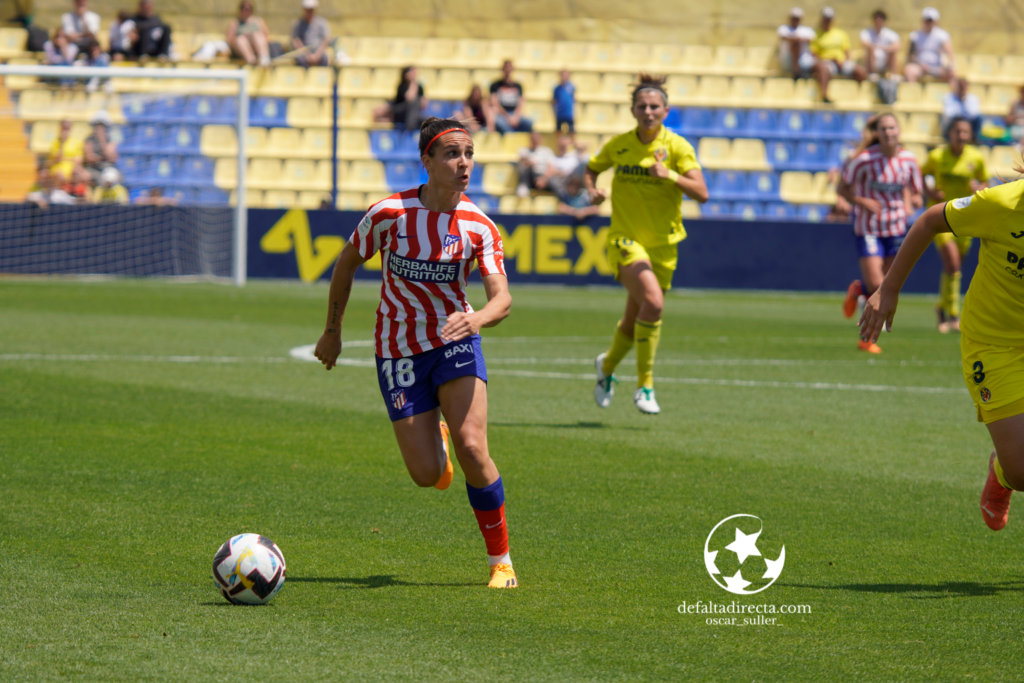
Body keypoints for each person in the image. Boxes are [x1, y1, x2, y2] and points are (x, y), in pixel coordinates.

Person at [312, 117, 518, 590]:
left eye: (469, 153)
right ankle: (437, 439)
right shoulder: (389, 214)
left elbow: (502, 299)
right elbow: (346, 264)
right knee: (427, 475)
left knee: (473, 446)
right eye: (452, 154)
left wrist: (476, 320)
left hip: (455, 341)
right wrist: (332, 332)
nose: (463, 163)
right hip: (397, 349)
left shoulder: (479, 226)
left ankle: (501, 562)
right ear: (427, 160)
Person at [859, 168, 1024, 537]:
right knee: (1021, 472)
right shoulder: (1002, 203)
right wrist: (889, 288)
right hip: (994, 345)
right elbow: (930, 219)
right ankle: (1002, 474)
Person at [584, 73, 709, 415]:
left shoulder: (678, 148)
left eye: (655, 106)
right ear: (633, 110)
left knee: (635, 319)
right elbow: (591, 169)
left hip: (664, 245)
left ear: (666, 111)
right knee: (653, 302)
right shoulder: (619, 145)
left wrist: (670, 175)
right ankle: (645, 385)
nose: (648, 111)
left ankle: (606, 366)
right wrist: (592, 191)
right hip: (625, 240)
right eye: (642, 106)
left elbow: (702, 193)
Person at [837, 113, 923, 354]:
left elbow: (916, 191)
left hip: (896, 228)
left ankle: (858, 291)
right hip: (869, 227)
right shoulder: (864, 160)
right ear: (878, 133)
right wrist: (861, 201)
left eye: (892, 127)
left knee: (885, 284)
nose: (888, 132)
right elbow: (842, 188)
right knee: (877, 284)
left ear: (899, 131)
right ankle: (867, 339)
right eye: (883, 128)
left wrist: (913, 201)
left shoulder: (909, 160)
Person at [920, 116, 988, 333]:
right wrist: (930, 192)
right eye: (957, 131)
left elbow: (985, 182)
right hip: (941, 217)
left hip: (966, 218)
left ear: (970, 135)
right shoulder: (937, 156)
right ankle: (953, 314)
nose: (961, 136)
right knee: (953, 262)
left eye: (965, 132)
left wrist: (979, 187)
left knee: (953, 268)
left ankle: (941, 308)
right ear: (949, 133)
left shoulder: (976, 157)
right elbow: (920, 174)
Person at [811, 7, 866, 104]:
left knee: (860, 72)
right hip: (826, 63)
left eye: (829, 19)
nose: (827, 21)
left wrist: (844, 62)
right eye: (826, 19)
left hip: (841, 62)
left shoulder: (841, 34)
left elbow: (847, 52)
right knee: (824, 69)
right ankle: (824, 96)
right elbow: (814, 55)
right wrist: (829, 60)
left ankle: (858, 97)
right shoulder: (816, 36)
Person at [904, 7, 955, 83]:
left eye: (931, 20)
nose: (928, 23)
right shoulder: (915, 35)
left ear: (936, 21)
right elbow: (911, 56)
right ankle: (913, 90)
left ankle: (953, 90)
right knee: (909, 70)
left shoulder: (943, 36)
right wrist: (922, 65)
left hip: (937, 67)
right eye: (927, 20)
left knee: (951, 73)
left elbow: (950, 53)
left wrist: (952, 66)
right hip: (920, 67)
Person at [373, 66, 427, 131]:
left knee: (417, 107)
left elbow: (423, 104)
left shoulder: (419, 87)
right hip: (400, 110)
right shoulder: (402, 86)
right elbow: (410, 98)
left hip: (411, 112)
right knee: (414, 103)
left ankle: (412, 124)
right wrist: (413, 82)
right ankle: (411, 125)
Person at [489, 60, 532, 133]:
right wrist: (507, 117)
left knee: (529, 123)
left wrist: (516, 116)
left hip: (514, 114)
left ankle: (511, 134)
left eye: (509, 67)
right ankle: (511, 135)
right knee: (499, 123)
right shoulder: (495, 85)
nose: (507, 70)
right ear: (502, 69)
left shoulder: (518, 86)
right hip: (501, 114)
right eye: (506, 67)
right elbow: (495, 103)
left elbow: (521, 102)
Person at [227, 0, 270, 66]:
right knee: (241, 39)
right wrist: (245, 38)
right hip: (242, 49)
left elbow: (267, 37)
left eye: (249, 8)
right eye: (244, 7)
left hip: (256, 47)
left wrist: (252, 39)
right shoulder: (235, 23)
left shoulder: (258, 21)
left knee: (257, 35)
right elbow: (230, 40)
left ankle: (264, 60)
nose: (246, 10)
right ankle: (251, 61)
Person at [777, 7, 817, 79]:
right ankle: (796, 71)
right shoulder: (783, 28)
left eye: (797, 18)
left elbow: (811, 39)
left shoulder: (807, 30)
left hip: (804, 61)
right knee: (796, 44)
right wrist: (798, 39)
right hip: (787, 60)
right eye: (793, 18)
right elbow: (783, 37)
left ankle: (798, 71)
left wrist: (796, 39)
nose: (795, 20)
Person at [860, 9, 900, 78]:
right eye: (877, 18)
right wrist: (874, 47)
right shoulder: (866, 32)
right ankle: (872, 74)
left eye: (881, 18)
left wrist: (885, 48)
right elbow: (864, 43)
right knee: (871, 50)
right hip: (872, 60)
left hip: (886, 61)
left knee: (893, 52)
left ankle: (894, 75)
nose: (879, 20)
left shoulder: (890, 34)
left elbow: (898, 46)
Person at [291, 0, 330, 67]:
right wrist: (307, 55)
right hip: (303, 53)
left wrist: (318, 55)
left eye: (311, 10)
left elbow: (325, 40)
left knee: (324, 59)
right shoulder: (298, 24)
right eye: (307, 10)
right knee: (300, 60)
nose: (309, 12)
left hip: (318, 51)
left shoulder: (322, 22)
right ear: (304, 10)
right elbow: (296, 41)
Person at [82, 110, 118, 184]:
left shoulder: (110, 140)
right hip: (93, 168)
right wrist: (99, 160)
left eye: (102, 125)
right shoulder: (89, 139)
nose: (99, 128)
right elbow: (88, 157)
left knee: (112, 177)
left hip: (107, 168)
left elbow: (110, 157)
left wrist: (102, 140)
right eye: (97, 125)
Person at [515, 131, 554, 197]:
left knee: (554, 182)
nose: (535, 140)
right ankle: (523, 186)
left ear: (541, 139)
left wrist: (543, 179)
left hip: (543, 177)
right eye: (533, 138)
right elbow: (523, 161)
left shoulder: (547, 151)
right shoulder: (524, 150)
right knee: (528, 169)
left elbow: (551, 168)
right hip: (530, 177)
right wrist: (530, 163)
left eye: (537, 138)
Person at [47, 119, 84, 184]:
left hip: (71, 167)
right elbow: (58, 158)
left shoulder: (76, 142)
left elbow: (78, 160)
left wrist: (65, 159)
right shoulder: (55, 142)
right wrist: (62, 142)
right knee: (60, 176)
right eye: (64, 128)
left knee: (83, 175)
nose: (65, 130)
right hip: (58, 167)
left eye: (67, 128)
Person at [552, 69, 576, 134]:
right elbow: (554, 100)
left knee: (571, 131)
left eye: (565, 75)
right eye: (562, 75)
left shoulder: (571, 87)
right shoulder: (557, 88)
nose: (563, 77)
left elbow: (574, 99)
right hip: (560, 113)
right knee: (558, 130)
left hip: (568, 113)